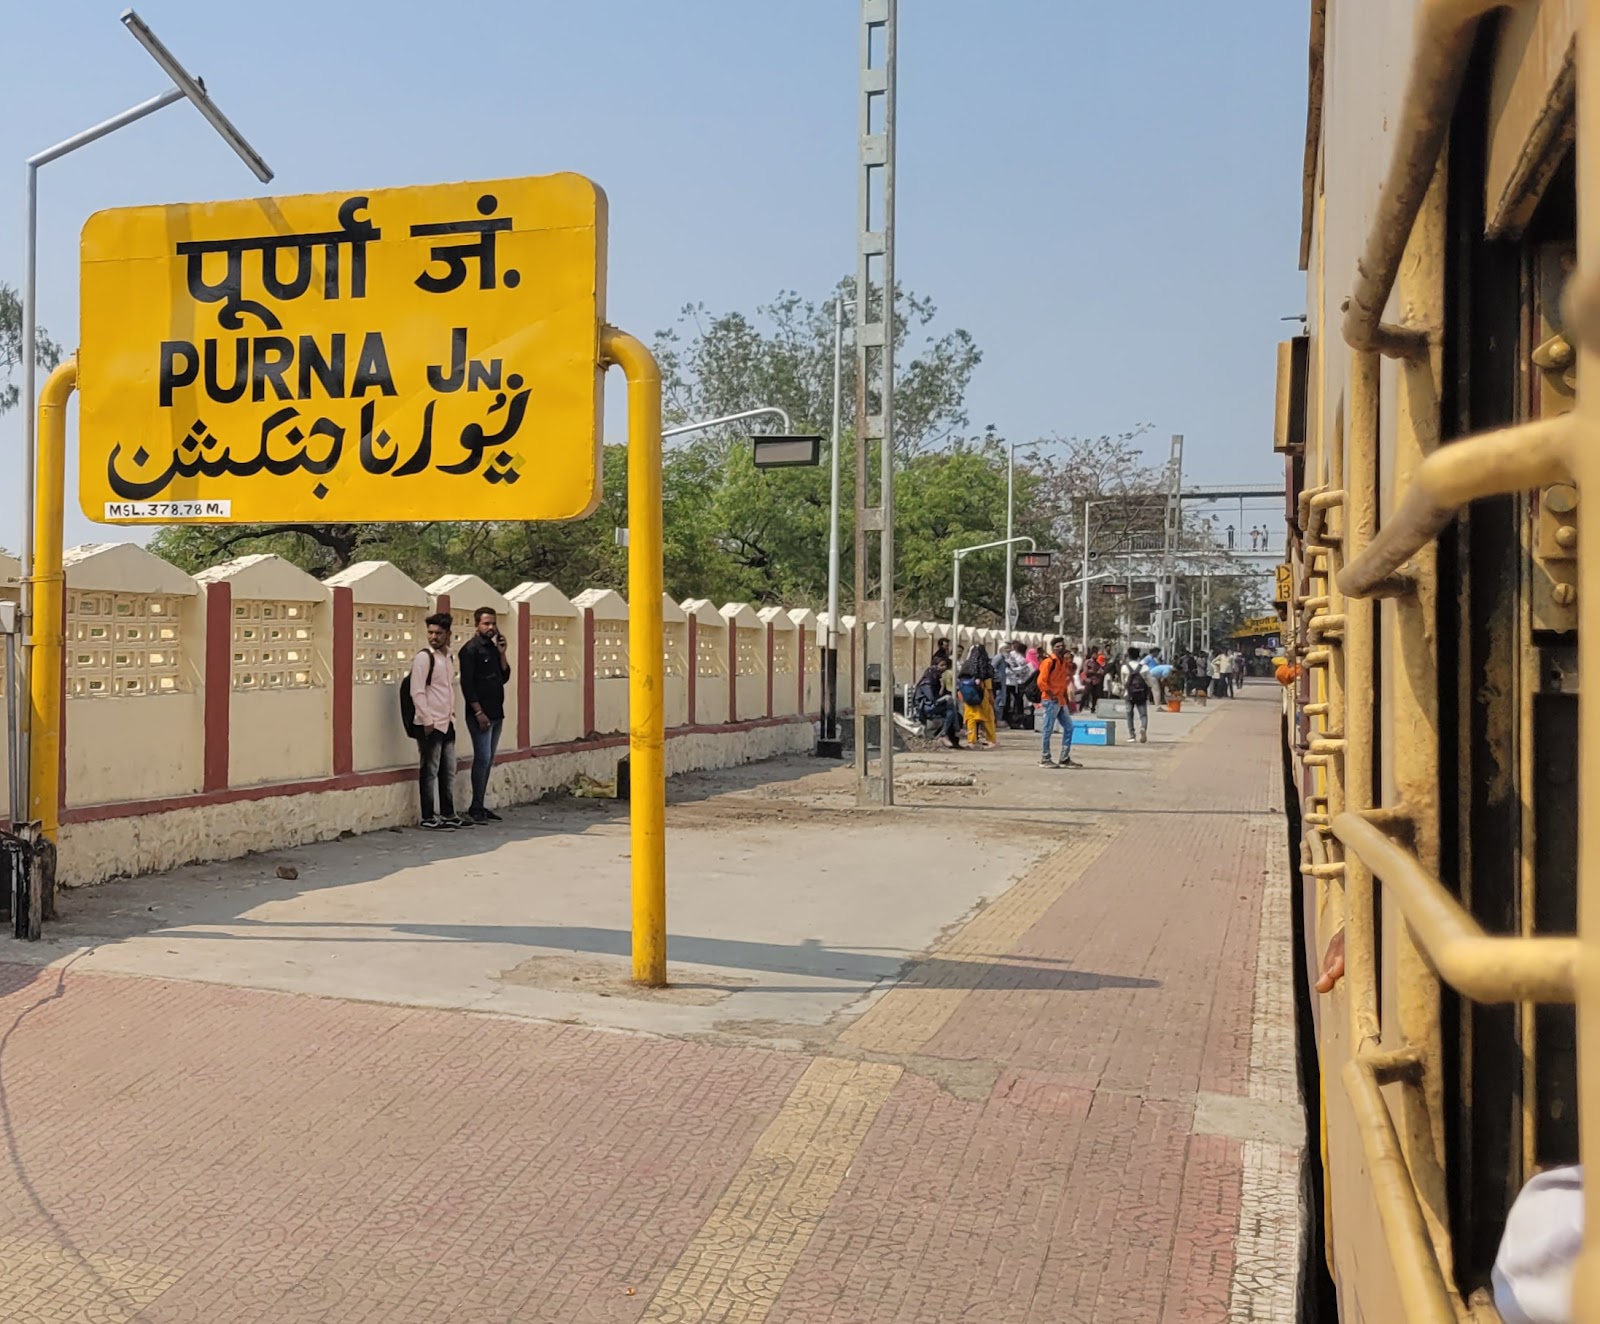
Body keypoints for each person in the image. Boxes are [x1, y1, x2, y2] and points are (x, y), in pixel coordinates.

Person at [459, 606, 511, 823]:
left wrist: (502, 653)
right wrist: (478, 712)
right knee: (482, 758)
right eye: (486, 623)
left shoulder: (492, 648)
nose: (490, 627)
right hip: (480, 715)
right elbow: (467, 685)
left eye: (493, 623)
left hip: (497, 712)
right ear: (476, 625)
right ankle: (475, 808)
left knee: (488, 760)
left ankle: (480, 804)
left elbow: (505, 676)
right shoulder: (470, 650)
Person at [411, 612, 462, 829]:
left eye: (438, 633)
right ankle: (428, 817)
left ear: (448, 634)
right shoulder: (424, 657)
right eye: (430, 632)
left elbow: (447, 688)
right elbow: (417, 691)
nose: (433, 637)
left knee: (448, 769)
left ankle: (449, 814)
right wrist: (426, 719)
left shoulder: (449, 656)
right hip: (430, 723)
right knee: (429, 770)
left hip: (447, 721)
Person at [1036, 636, 1079, 768]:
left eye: (1062, 646)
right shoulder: (1049, 662)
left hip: (1060, 700)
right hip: (1050, 700)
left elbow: (1070, 673)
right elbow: (1041, 681)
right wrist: (1051, 694)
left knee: (1069, 727)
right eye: (1057, 646)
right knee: (1047, 729)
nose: (1060, 648)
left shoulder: (1063, 662)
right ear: (1053, 648)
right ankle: (1045, 757)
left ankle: (1064, 757)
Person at [913, 653, 962, 749]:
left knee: (951, 711)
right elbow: (932, 699)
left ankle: (944, 734)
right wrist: (945, 698)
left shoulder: (936, 681)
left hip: (932, 705)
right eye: (941, 665)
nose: (943, 668)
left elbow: (937, 696)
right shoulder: (926, 683)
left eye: (945, 665)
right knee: (950, 707)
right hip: (925, 707)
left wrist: (942, 687)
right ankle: (955, 729)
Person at [957, 643, 998, 747]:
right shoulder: (985, 667)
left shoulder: (966, 665)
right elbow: (988, 685)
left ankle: (972, 741)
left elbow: (960, 682)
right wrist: (992, 698)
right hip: (982, 696)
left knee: (971, 719)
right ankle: (991, 740)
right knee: (988, 719)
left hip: (969, 696)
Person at [1122, 647, 1152, 743]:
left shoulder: (1124, 667)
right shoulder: (1144, 668)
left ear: (1129, 656)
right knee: (1143, 715)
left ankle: (1132, 735)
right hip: (1141, 694)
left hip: (1129, 694)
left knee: (1129, 714)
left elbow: (1123, 682)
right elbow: (1150, 682)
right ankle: (1143, 728)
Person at [1003, 641, 1032, 727]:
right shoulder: (1016, 656)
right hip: (1015, 682)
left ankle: (1016, 718)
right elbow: (1016, 668)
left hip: (1015, 682)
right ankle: (1015, 718)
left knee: (1015, 700)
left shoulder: (1016, 656)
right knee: (1016, 700)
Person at [1080, 649, 1106, 714]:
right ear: (1092, 654)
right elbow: (1086, 671)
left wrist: (1097, 673)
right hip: (1089, 680)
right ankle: (1081, 707)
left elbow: (1101, 672)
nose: (1096, 656)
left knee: (1095, 695)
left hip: (1096, 681)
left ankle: (1093, 708)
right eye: (1095, 654)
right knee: (1085, 694)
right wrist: (1095, 672)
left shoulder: (1097, 663)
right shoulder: (1087, 662)